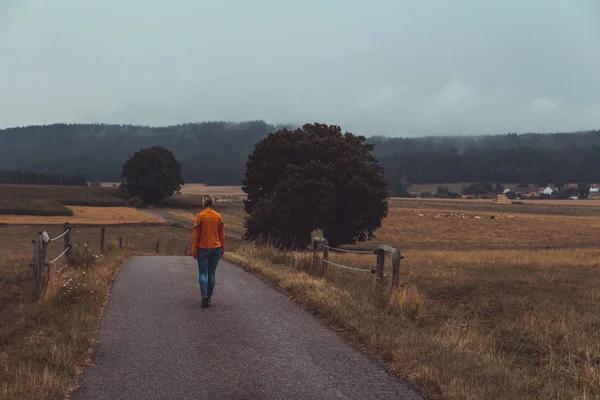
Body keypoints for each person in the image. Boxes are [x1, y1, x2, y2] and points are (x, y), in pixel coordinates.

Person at [191, 194, 225, 308]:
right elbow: (222, 235)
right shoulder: (218, 217)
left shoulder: (200, 216)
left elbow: (196, 235)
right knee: (212, 273)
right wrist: (222, 249)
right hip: (216, 248)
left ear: (203, 203)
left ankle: (204, 295)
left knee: (202, 273)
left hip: (203, 249)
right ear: (212, 203)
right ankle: (209, 298)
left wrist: (194, 250)